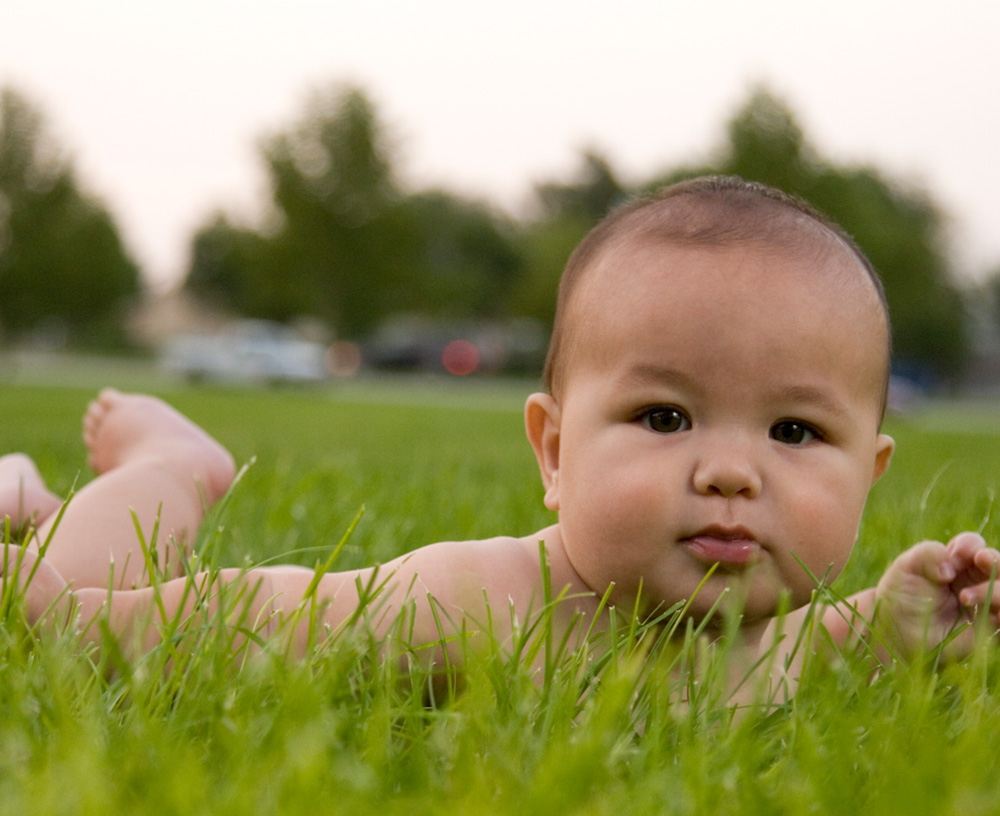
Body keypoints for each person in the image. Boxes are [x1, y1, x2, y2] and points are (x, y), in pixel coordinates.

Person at [3, 176, 998, 699]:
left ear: (869, 474)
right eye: (664, 418)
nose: (731, 471)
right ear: (555, 453)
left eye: (793, 430)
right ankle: (170, 468)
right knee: (61, 604)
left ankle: (40, 505)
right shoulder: (484, 604)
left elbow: (803, 656)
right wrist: (64, 618)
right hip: (146, 589)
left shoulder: (757, 629)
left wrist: (892, 627)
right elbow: (260, 617)